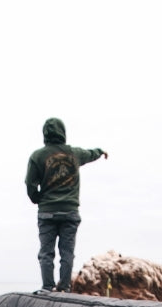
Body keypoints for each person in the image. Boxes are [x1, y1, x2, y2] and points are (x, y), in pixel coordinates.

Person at [25, 117, 107, 292]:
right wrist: (100, 151)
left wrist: (38, 199)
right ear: (63, 132)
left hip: (47, 212)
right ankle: (65, 288)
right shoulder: (74, 154)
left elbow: (30, 184)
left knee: (46, 253)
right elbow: (90, 153)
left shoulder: (37, 156)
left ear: (45, 134)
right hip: (70, 212)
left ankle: (47, 288)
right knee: (67, 253)